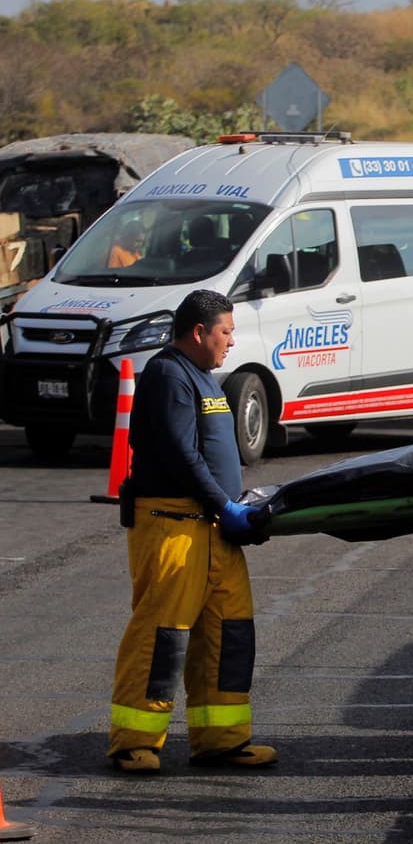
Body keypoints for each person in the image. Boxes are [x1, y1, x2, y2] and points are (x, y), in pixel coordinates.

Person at [107, 289, 274, 773]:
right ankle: (134, 741)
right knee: (163, 633)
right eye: (226, 331)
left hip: (215, 528)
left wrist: (233, 508)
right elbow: (182, 454)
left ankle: (222, 739)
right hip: (174, 527)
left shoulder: (201, 376)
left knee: (229, 630)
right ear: (199, 332)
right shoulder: (167, 375)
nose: (231, 341)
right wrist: (222, 501)